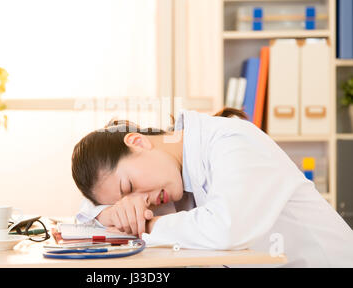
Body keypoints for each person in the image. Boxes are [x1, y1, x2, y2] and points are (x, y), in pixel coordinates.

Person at [71, 108, 353, 267]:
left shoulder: (230, 140)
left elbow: (225, 228)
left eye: (129, 186)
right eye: (128, 200)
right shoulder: (174, 174)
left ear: (138, 142)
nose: (142, 203)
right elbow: (82, 219)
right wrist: (112, 215)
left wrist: (143, 226)